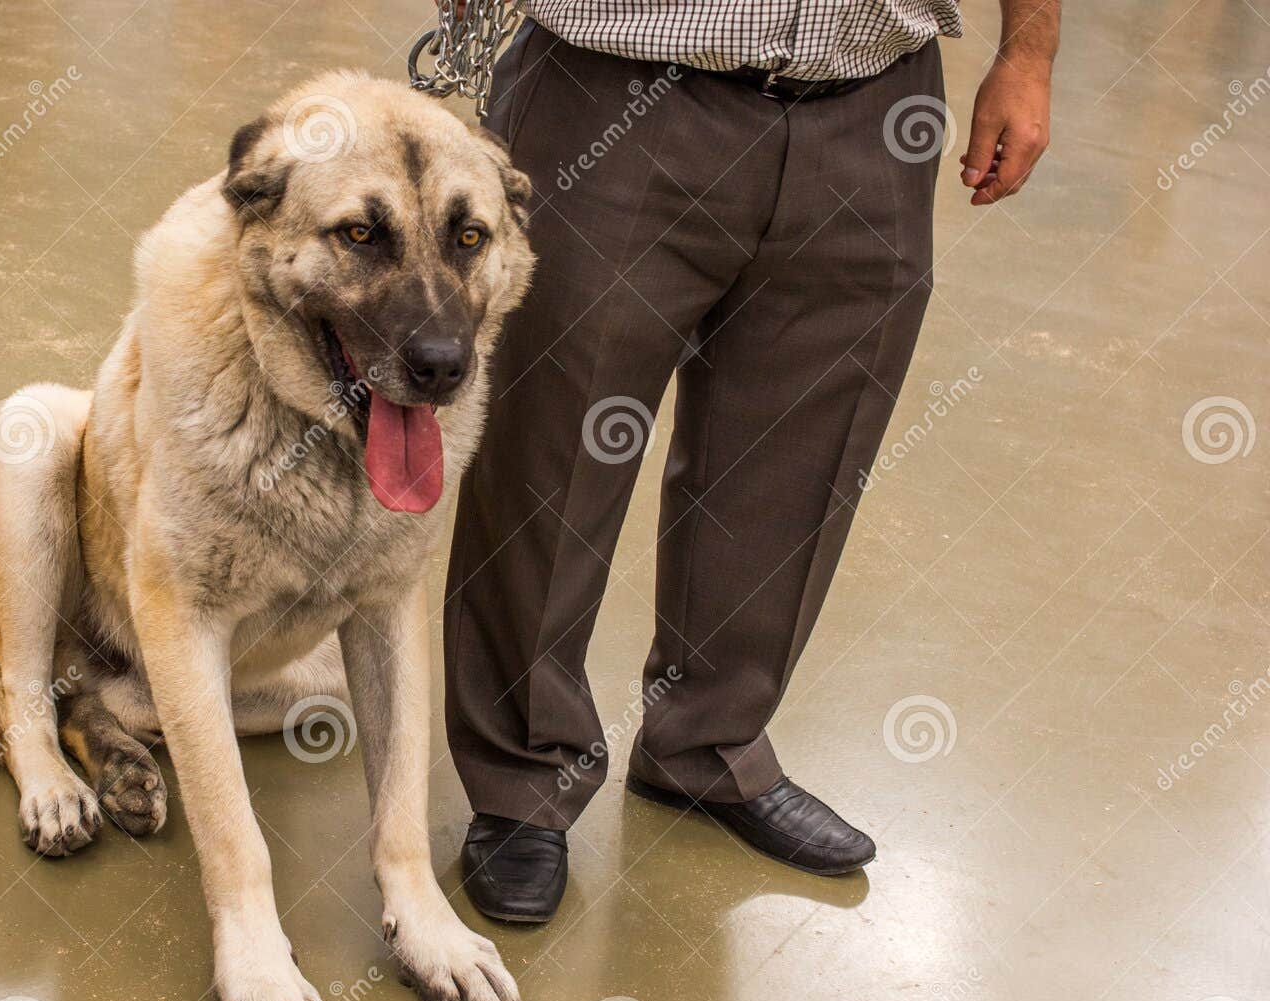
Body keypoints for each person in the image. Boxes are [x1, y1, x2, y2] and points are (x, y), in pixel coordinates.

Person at [447, 0, 1059, 921]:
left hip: (873, 101)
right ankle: (523, 777)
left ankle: (709, 742)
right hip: (617, 83)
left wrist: (1029, 51)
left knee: (801, 449)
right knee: (555, 445)